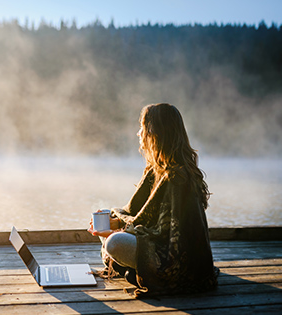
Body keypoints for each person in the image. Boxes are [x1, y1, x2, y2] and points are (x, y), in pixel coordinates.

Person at [88, 103, 219, 297]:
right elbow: (139, 216)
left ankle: (135, 270)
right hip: (152, 238)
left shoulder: (177, 178)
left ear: (154, 133)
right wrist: (115, 223)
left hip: (175, 260)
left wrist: (117, 232)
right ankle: (132, 269)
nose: (138, 133)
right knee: (106, 224)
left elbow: (168, 234)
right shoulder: (154, 170)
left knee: (115, 243)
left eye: (142, 128)